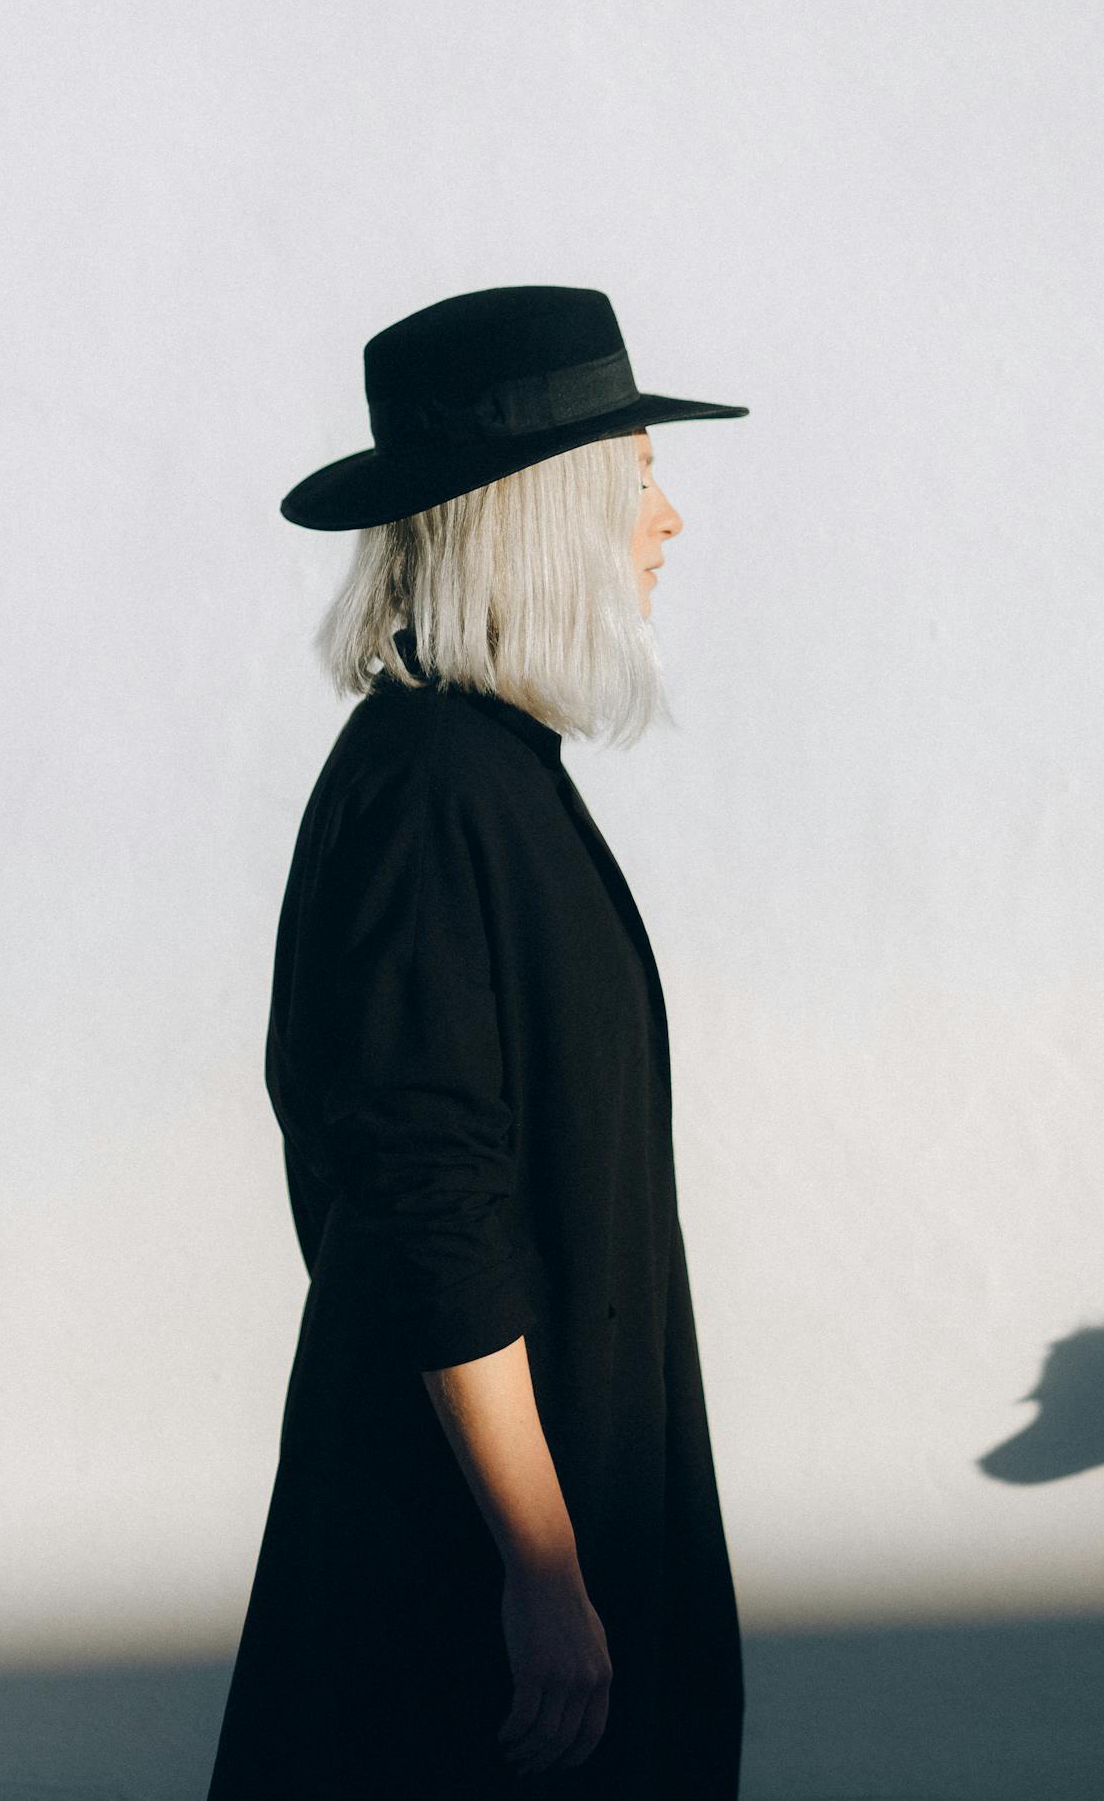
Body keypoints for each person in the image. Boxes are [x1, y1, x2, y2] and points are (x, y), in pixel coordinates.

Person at [205, 285, 749, 1799]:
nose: (668, 522)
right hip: (463, 1576)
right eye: (637, 477)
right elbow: (426, 1199)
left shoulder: (486, 773)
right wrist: (542, 1569)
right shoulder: (437, 788)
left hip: (524, 1531)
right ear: (546, 509)